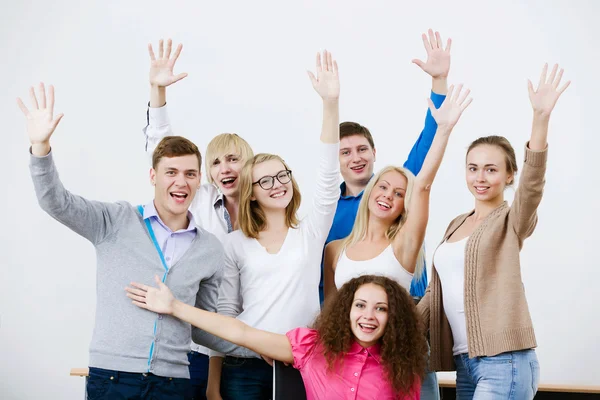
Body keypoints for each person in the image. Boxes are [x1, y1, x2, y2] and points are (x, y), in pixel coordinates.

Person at [18, 84, 232, 399]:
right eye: (170, 171)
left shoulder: (210, 249)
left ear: (199, 180)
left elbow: (202, 326)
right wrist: (41, 148)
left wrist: (258, 346)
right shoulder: (115, 221)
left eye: (189, 173)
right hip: (113, 381)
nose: (180, 181)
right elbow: (55, 202)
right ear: (153, 176)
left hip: (175, 384)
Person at [418, 63, 570, 399]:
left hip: (505, 361)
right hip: (465, 362)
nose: (480, 177)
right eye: (473, 168)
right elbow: (435, 295)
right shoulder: (455, 224)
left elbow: (532, 187)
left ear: (509, 175)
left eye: (491, 169)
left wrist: (540, 119)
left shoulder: (511, 219)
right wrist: (393, 325)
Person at [204, 50, 341, 399]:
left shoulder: (309, 234)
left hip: (300, 363)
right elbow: (227, 317)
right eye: (265, 181)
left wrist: (330, 104)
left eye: (282, 175)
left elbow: (328, 178)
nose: (277, 184)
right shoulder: (235, 244)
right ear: (250, 194)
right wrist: (214, 385)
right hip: (244, 369)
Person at [324, 84, 472, 400]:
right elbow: (330, 309)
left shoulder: (404, 241)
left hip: (404, 348)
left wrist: (443, 121)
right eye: (384, 188)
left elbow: (423, 184)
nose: (388, 195)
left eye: (399, 193)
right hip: (352, 356)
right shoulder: (332, 237)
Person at [143, 38, 256, 399]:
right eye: (217, 161)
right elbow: (162, 150)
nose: (225, 168)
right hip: (197, 342)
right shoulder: (201, 199)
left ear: (249, 163)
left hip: (250, 344)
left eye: (233, 159)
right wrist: (158, 92)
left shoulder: (268, 212)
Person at [126, 274, 428, 399]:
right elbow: (241, 332)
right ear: (347, 310)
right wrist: (175, 306)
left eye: (381, 309)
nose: (368, 316)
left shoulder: (401, 369)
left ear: (393, 318)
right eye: (360, 305)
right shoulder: (313, 348)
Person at [319, 29, 452, 304]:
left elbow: (428, 141)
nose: (356, 157)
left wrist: (439, 82)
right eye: (345, 152)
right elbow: (326, 276)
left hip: (407, 307)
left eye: (362, 149)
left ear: (374, 152)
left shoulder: (397, 186)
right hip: (353, 321)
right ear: (335, 159)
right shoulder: (327, 211)